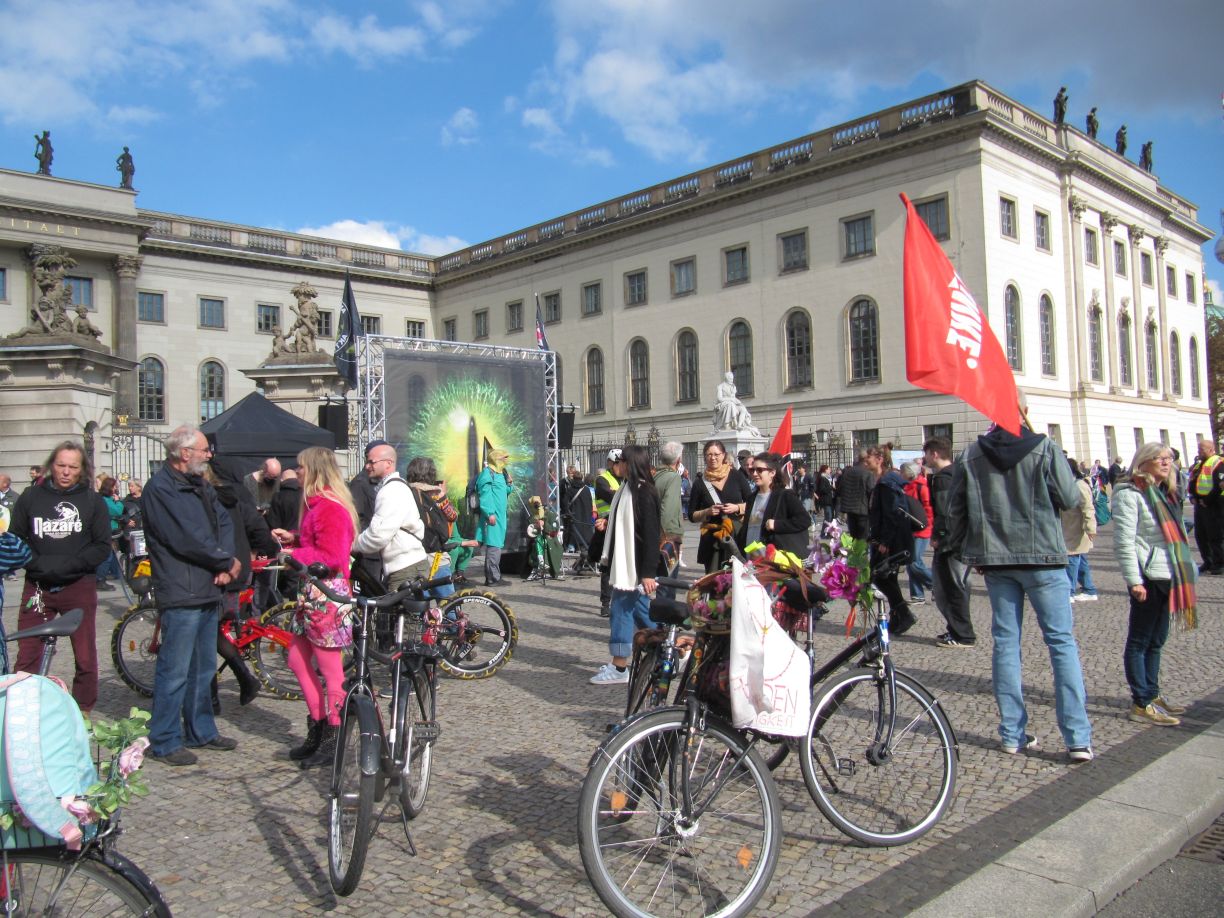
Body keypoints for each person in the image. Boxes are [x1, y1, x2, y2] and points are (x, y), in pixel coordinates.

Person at [946, 404, 1093, 763]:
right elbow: (1070, 498)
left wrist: (972, 552)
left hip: (997, 562)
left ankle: (1011, 733)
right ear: (1024, 410)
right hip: (1043, 557)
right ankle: (1077, 738)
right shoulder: (1044, 447)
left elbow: (955, 511)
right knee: (1060, 644)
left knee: (1006, 645)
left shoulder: (972, 453)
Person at [141, 426, 242, 765]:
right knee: (174, 670)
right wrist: (223, 560)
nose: (208, 454)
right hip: (181, 589)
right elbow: (185, 536)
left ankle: (201, 730)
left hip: (208, 586)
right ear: (184, 454)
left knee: (202, 668)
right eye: (202, 450)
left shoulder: (200, 484)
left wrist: (227, 563)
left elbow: (223, 523)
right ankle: (165, 739)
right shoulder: (160, 490)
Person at [8, 441, 111, 713]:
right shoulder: (31, 497)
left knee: (85, 655)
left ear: (82, 470)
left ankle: (82, 711)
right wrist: (37, 563)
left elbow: (102, 545)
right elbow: (16, 538)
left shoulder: (93, 501)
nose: (66, 472)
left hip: (78, 585)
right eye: (61, 465)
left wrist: (71, 565)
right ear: (52, 465)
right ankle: (24, 710)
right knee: (28, 652)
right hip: (38, 587)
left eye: (72, 467)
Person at [272, 447, 358, 768]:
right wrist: (294, 541)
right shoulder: (316, 505)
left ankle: (333, 734)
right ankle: (318, 725)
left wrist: (294, 556)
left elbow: (332, 556)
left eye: (301, 467)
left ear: (316, 470)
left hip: (328, 595)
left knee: (330, 670)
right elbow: (316, 547)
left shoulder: (329, 507)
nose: (297, 473)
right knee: (296, 659)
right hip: (311, 592)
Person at [1112, 443, 1197, 727]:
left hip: (1169, 572)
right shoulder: (1130, 494)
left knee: (1157, 640)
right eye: (1160, 458)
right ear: (1144, 462)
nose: (1166, 462)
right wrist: (1134, 579)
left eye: (1169, 459)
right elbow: (1124, 540)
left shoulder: (1167, 492)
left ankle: (1153, 693)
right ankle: (1141, 701)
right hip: (1148, 575)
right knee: (1140, 639)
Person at [207, 466, 276, 711]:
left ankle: (236, 683)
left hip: (216, 572)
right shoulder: (238, 496)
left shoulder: (204, 498)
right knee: (216, 630)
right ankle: (232, 686)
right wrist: (260, 550)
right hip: (239, 570)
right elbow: (258, 528)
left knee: (207, 633)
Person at [590, 444, 660, 685]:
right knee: (641, 610)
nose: (617, 465)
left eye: (622, 461)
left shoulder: (644, 492)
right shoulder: (626, 489)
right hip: (626, 561)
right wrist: (607, 522)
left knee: (620, 609)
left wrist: (649, 572)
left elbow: (651, 534)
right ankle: (667, 648)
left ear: (632, 464)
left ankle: (619, 666)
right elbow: (624, 519)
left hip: (634, 564)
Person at [352, 442, 428, 592]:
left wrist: (353, 545)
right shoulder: (395, 486)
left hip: (405, 567)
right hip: (407, 564)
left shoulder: (391, 491)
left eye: (371, 462)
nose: (367, 466)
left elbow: (378, 535)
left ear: (388, 463)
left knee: (400, 614)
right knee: (407, 613)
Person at [923, 436, 974, 648]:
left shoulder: (944, 478)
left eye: (926, 453)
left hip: (951, 543)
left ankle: (963, 634)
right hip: (961, 539)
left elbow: (946, 513)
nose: (924, 458)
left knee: (952, 588)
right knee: (954, 587)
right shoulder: (958, 473)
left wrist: (939, 536)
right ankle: (956, 629)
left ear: (934, 454)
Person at [864, 444, 917, 635]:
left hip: (890, 540)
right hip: (882, 537)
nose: (865, 460)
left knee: (881, 576)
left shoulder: (887, 483)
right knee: (888, 577)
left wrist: (885, 542)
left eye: (868, 457)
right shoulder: (882, 480)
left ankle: (903, 613)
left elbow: (892, 514)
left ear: (879, 459)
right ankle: (898, 617)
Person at [687, 439, 750, 573]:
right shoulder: (699, 483)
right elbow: (691, 515)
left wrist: (737, 508)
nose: (713, 458)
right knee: (714, 579)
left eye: (716, 454)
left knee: (737, 577)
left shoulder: (737, 476)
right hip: (712, 539)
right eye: (709, 454)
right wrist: (707, 512)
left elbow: (752, 502)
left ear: (723, 455)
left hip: (736, 535)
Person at [744, 452, 810, 556]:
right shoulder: (751, 498)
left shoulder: (785, 495)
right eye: (752, 470)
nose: (755, 474)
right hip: (751, 558)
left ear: (772, 472)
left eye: (760, 470)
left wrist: (776, 524)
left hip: (772, 559)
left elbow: (804, 520)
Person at [1061, 458, 1099, 603]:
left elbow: (1088, 508)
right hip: (1070, 526)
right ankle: (1089, 589)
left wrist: (1090, 528)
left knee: (1072, 558)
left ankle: (1070, 591)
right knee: (1080, 560)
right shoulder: (1070, 484)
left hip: (1077, 528)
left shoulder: (1079, 485)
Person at [594, 449, 626, 615]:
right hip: (605, 528)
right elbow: (613, 497)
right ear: (610, 463)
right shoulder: (602, 479)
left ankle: (620, 600)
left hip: (620, 527)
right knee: (607, 566)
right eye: (618, 463)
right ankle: (605, 603)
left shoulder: (624, 480)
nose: (621, 466)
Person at [475, 448, 512, 587]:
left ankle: (492, 576)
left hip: (499, 516)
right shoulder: (487, 473)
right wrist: (490, 513)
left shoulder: (500, 473)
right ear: (496, 459)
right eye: (504, 458)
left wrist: (509, 484)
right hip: (493, 516)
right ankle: (493, 578)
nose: (506, 461)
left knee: (496, 546)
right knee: (494, 547)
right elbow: (485, 495)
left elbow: (504, 492)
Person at [1186, 439, 1224, 575]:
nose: (1199, 452)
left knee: (1216, 535)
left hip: (1215, 504)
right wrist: (1193, 497)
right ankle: (1208, 561)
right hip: (1200, 505)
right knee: (1201, 535)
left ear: (1211, 449)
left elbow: (1220, 485)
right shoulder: (1199, 464)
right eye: (1198, 449)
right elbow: (1194, 482)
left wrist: (1206, 501)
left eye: (1201, 449)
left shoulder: (1218, 462)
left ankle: (1219, 563)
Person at [900, 461, 934, 604]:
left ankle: (936, 585)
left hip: (922, 528)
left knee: (915, 561)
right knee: (910, 562)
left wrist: (930, 526)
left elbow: (929, 509)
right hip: (910, 528)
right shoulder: (905, 487)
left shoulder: (922, 487)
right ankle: (917, 594)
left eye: (902, 472)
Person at [654, 442, 685, 577]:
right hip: (668, 536)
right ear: (678, 460)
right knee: (669, 581)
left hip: (655, 532)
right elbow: (669, 510)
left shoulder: (656, 475)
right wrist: (669, 537)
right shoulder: (673, 478)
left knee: (660, 579)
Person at [94, 476, 125, 590]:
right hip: (107, 531)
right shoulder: (105, 500)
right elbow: (117, 511)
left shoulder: (104, 499)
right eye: (115, 487)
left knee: (111, 555)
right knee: (107, 556)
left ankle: (108, 575)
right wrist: (118, 502)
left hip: (107, 530)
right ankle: (100, 579)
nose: (116, 489)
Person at [835, 452, 874, 538]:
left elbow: (840, 489)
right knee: (863, 539)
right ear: (865, 460)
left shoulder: (847, 472)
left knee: (853, 537)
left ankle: (854, 551)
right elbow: (871, 491)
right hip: (863, 510)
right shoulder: (868, 473)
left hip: (849, 509)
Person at [265, 466, 301, 533]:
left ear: (281, 480)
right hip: (303, 537)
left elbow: (273, 523)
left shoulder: (277, 497)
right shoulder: (306, 494)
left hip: (285, 538)